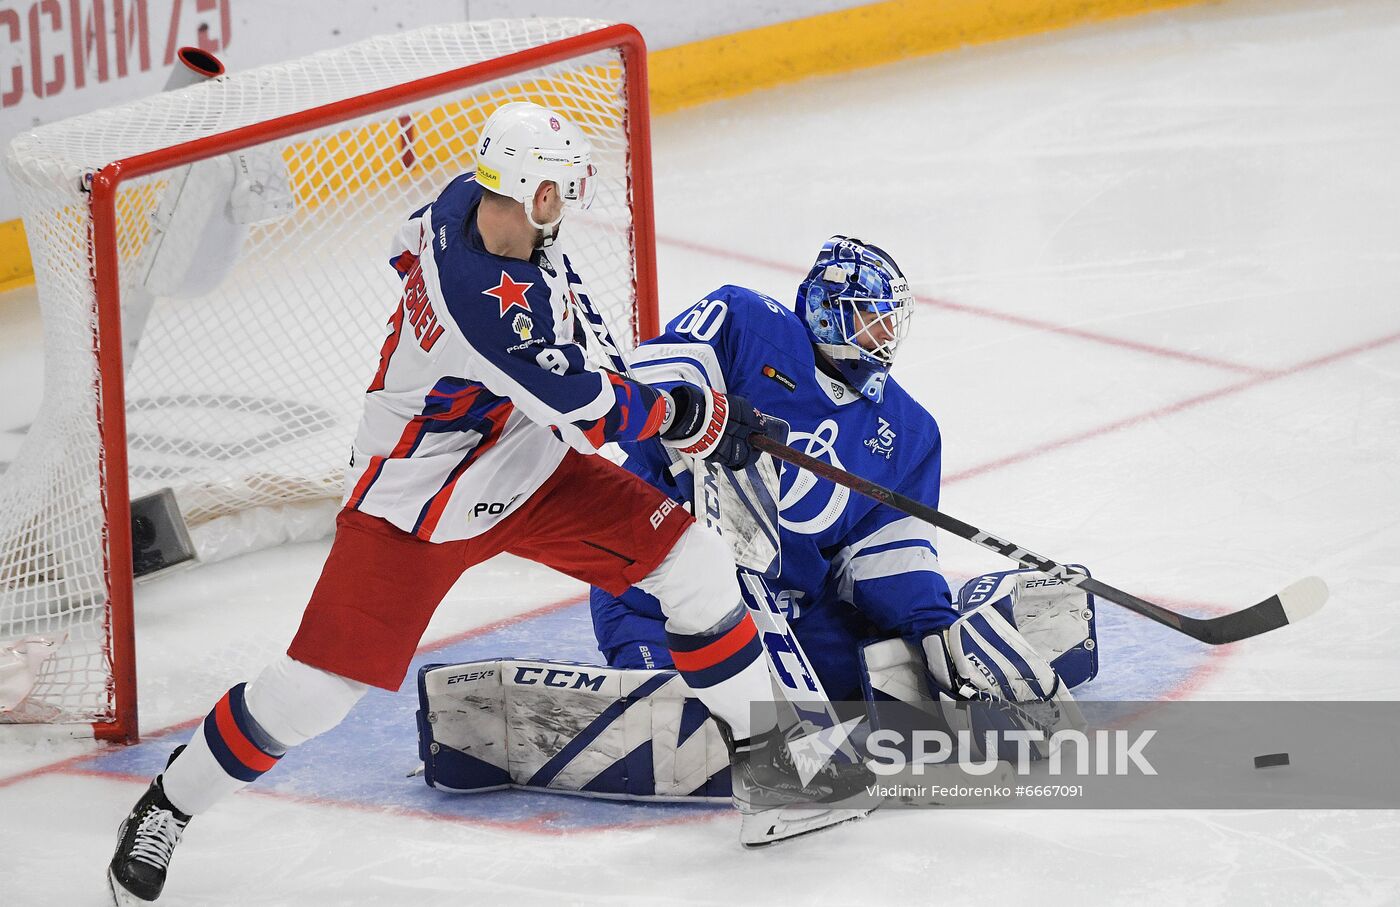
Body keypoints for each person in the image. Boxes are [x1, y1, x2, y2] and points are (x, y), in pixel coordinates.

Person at [105, 102, 825, 905]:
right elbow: (593, 415)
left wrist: (679, 407)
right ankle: (167, 802)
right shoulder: (484, 305)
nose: (566, 204)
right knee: (311, 692)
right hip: (423, 499)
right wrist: (694, 416)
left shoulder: (464, 203)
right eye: (557, 190)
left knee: (693, 563)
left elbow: (551, 337)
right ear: (528, 191)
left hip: (522, 457)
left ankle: (774, 760)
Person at [592, 235, 1078, 711]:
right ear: (829, 311)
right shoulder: (747, 323)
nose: (885, 337)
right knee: (678, 707)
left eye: (892, 324)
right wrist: (696, 418)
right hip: (654, 590)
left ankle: (974, 628)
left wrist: (932, 624)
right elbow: (652, 386)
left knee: (889, 688)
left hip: (787, 613)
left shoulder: (907, 430)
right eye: (873, 319)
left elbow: (886, 552)